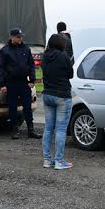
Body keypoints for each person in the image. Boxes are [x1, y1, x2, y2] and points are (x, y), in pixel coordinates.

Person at [0, 28, 40, 140]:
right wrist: (2, 84)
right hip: (11, 83)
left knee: (27, 107)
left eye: (21, 36)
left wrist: (32, 80)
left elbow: (31, 65)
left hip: (24, 83)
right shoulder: (5, 51)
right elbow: (0, 67)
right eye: (18, 37)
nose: (20, 38)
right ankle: (14, 130)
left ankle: (31, 130)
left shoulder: (26, 49)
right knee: (12, 107)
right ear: (12, 37)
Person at [40, 33, 74, 170]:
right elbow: (70, 74)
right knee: (60, 129)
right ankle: (59, 161)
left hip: (47, 94)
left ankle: (47, 160)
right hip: (62, 96)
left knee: (48, 129)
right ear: (61, 44)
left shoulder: (44, 57)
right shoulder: (63, 56)